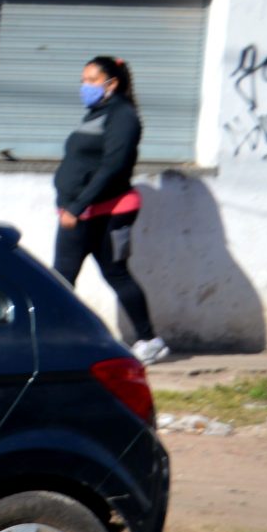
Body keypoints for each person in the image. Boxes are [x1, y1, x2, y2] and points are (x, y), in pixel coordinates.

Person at [52, 55, 169, 365]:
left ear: (111, 83)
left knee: (84, 275)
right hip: (82, 210)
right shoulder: (96, 114)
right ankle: (57, 338)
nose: (84, 86)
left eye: (91, 80)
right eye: (83, 80)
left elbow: (112, 168)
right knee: (69, 275)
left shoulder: (123, 117)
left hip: (104, 211)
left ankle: (148, 341)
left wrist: (77, 206)